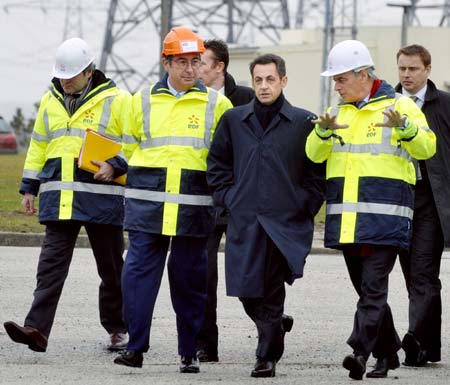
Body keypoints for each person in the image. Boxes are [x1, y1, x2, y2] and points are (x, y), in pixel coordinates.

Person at [306, 40, 436, 380]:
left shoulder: (400, 106)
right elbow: (313, 155)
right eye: (335, 80)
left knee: (374, 289)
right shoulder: (337, 113)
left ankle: (360, 352)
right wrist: (321, 131)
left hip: (385, 218)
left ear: (363, 74)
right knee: (368, 292)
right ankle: (388, 353)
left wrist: (405, 129)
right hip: (347, 221)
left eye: (341, 78)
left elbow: (428, 147)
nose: (336, 85)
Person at [113, 27, 232, 373]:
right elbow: (126, 146)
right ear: (166, 62)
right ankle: (135, 348)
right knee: (136, 278)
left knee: (190, 282)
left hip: (193, 209)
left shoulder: (217, 103)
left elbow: (223, 156)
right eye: (182, 62)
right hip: (147, 207)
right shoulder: (140, 100)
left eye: (195, 62)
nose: (190, 69)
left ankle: (189, 352)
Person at [3, 37, 130, 353]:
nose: (64, 80)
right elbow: (38, 146)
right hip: (60, 199)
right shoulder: (50, 100)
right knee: (50, 267)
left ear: (89, 72)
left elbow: (134, 141)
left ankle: (119, 329)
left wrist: (116, 165)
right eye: (61, 75)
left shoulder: (117, 100)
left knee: (112, 269)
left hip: (102, 198)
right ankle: (36, 329)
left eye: (71, 75)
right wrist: (29, 188)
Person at [207, 53, 326, 378]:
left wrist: (306, 203)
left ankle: (266, 356)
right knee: (246, 290)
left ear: (283, 81)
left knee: (272, 288)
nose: (263, 86)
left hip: (283, 222)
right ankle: (274, 323)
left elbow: (318, 171)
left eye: (270, 79)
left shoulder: (303, 122)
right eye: (258, 79)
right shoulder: (234, 120)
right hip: (244, 220)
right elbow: (217, 164)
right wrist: (227, 198)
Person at [196, 38, 254, 363]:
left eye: (202, 62)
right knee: (203, 274)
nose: (196, 68)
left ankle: (269, 322)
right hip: (203, 198)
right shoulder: (191, 99)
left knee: (246, 269)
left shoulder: (244, 99)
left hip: (237, 198)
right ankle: (206, 344)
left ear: (220, 66)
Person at [395, 44, 450, 367]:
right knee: (410, 275)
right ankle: (427, 345)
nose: (406, 74)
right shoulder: (388, 104)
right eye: (402, 68)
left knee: (423, 276)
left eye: (413, 69)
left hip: (430, 199)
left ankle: (417, 343)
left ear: (427, 69)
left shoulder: (443, 105)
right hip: (397, 198)